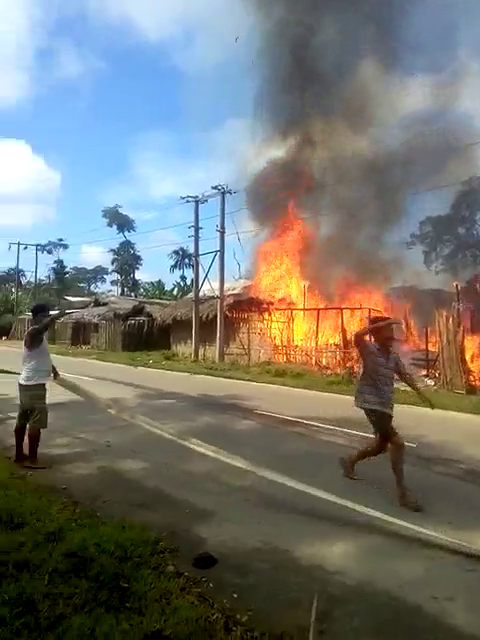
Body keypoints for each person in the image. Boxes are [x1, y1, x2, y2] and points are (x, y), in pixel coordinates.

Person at [340, 316, 434, 512]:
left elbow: (405, 376)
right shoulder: (369, 350)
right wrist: (376, 326)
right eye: (387, 331)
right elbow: (357, 336)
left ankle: (350, 461)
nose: (391, 335)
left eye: (391, 331)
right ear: (376, 334)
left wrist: (422, 395)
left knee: (380, 447)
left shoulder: (393, 357)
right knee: (398, 443)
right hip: (371, 404)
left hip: (385, 406)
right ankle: (403, 494)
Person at [14, 303, 65, 469]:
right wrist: (57, 316)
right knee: (34, 423)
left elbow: (43, 356)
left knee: (23, 419)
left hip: (27, 384)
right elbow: (43, 327)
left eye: (48, 315)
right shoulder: (33, 333)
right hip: (34, 385)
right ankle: (32, 459)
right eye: (44, 316)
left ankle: (19, 455)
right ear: (35, 317)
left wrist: (54, 370)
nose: (46, 319)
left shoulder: (39, 337)